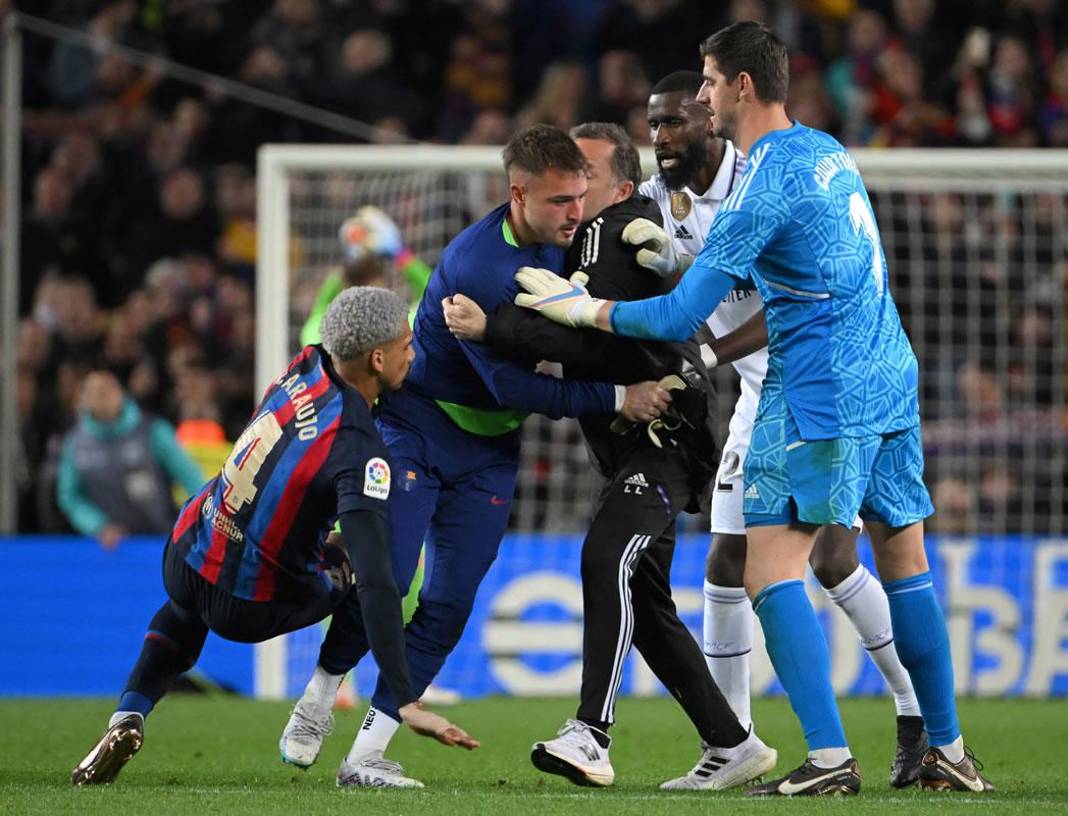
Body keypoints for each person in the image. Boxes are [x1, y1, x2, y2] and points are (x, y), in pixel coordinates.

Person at [515, 22, 993, 795]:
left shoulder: (760, 185)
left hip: (817, 393)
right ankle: (947, 747)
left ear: (740, 87)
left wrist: (582, 308)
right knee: (905, 565)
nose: (700, 95)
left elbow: (674, 321)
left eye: (706, 81)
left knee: (767, 570)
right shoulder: (826, 151)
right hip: (890, 377)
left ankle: (830, 759)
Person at [278, 125, 673, 788]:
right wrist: (615, 396)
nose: (576, 214)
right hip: (421, 424)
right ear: (517, 195)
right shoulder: (478, 267)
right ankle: (320, 693)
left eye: (580, 197)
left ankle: (367, 753)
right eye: (559, 203)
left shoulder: (579, 243)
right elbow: (511, 385)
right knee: (392, 574)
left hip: (491, 450)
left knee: (452, 600)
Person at [443, 122, 775, 790]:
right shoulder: (608, 236)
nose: (573, 185)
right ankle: (732, 743)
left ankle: (590, 733)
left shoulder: (607, 231)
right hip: (641, 440)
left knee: (603, 556)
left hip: (663, 436)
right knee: (648, 607)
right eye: (564, 176)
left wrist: (495, 326)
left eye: (585, 174)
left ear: (620, 186)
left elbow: (589, 343)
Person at [635, 69, 927, 789]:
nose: (663, 136)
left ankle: (909, 711)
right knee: (728, 564)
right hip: (761, 396)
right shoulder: (656, 203)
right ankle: (733, 742)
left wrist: (704, 347)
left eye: (677, 118)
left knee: (829, 560)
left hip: (811, 383)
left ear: (713, 114)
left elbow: (787, 298)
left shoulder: (761, 180)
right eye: (653, 126)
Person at [71, 288, 475, 787]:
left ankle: (127, 718)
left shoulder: (304, 364)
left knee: (181, 616)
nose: (413, 355)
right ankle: (318, 704)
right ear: (377, 357)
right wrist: (405, 696)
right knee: (379, 560)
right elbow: (376, 581)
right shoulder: (359, 450)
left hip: (187, 550)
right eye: (407, 345)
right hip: (249, 602)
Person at [58, 369, 206, 549]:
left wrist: (202, 521)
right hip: (109, 547)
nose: (101, 397)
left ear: (120, 392)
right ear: (83, 399)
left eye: (106, 390)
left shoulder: (154, 431)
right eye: (93, 392)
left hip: (161, 538)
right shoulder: (75, 443)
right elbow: (70, 496)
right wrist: (98, 526)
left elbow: (191, 477)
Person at [300, 205, 433, 346]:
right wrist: (399, 254)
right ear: (385, 286)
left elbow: (320, 310)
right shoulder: (403, 330)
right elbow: (433, 292)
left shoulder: (325, 334)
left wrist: (350, 264)